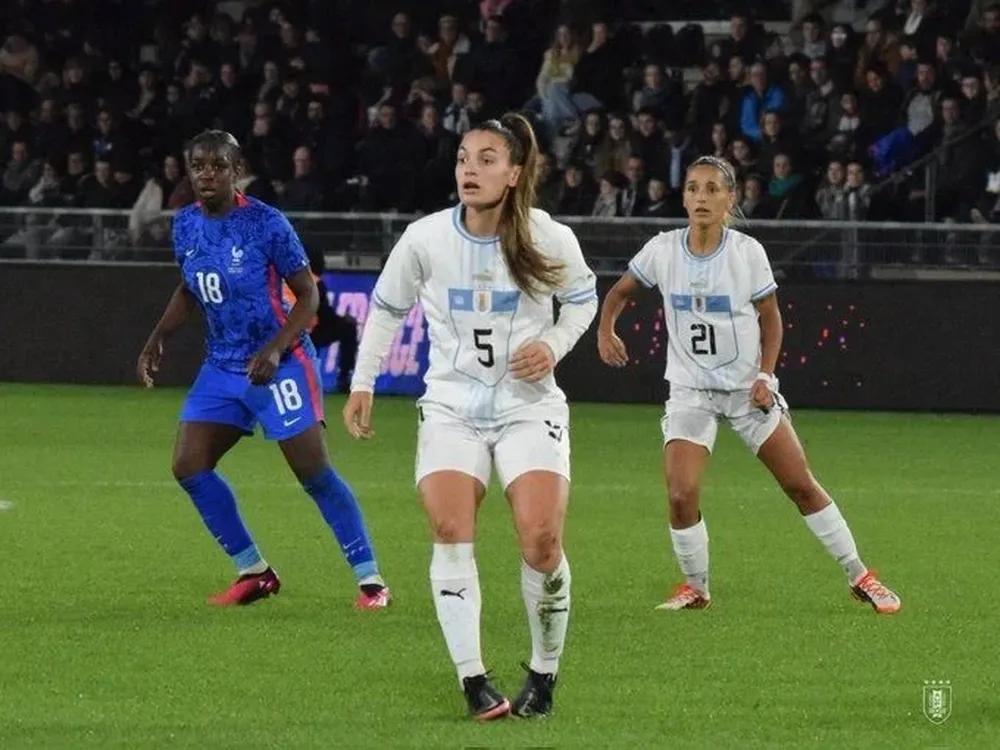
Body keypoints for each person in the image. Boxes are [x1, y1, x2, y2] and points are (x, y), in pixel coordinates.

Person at [342, 113, 597, 720]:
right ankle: (473, 679)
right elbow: (385, 309)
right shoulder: (426, 237)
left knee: (541, 540)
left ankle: (544, 670)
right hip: (452, 407)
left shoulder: (546, 237)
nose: (470, 170)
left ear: (513, 174)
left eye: (486, 160)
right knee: (451, 531)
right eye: (463, 158)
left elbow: (582, 302)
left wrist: (554, 346)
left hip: (527, 409)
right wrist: (363, 382)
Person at [596, 155, 901, 615]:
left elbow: (772, 320)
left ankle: (861, 576)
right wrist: (606, 329)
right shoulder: (662, 250)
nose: (701, 197)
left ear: (729, 198)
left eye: (712, 189)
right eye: (694, 188)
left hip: (745, 391)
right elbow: (619, 293)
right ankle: (696, 588)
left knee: (799, 484)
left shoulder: (746, 253)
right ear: (684, 198)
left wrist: (764, 375)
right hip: (690, 391)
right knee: (680, 494)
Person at [136, 130, 390, 610]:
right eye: (197, 165)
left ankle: (372, 582)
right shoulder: (186, 224)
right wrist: (158, 338)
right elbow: (190, 288)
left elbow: (308, 294)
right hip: (222, 365)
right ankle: (255, 572)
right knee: (189, 465)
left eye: (217, 165)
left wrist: (275, 350)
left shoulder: (267, 224)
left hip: (281, 365)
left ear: (236, 170)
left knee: (313, 473)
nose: (206, 174)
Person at [283, 246, 359, 392]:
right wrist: (344, 319)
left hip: (282, 329)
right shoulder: (315, 282)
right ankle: (344, 376)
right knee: (347, 328)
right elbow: (324, 313)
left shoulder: (286, 278)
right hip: (305, 332)